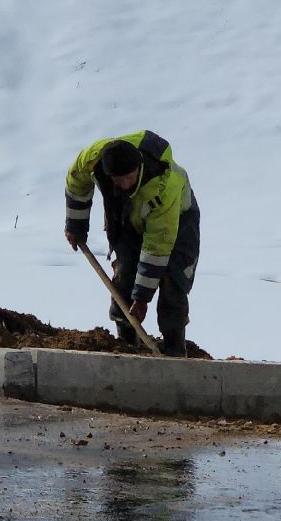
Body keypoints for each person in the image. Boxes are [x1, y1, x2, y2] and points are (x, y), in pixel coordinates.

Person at [64, 131, 199, 357]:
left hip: (177, 221)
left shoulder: (164, 187)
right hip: (127, 215)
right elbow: (76, 180)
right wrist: (75, 225)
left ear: (139, 167)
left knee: (173, 280)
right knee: (126, 271)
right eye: (119, 180)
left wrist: (142, 299)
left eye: (130, 177)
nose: (126, 184)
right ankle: (126, 341)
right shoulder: (94, 158)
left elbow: (157, 247)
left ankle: (174, 346)